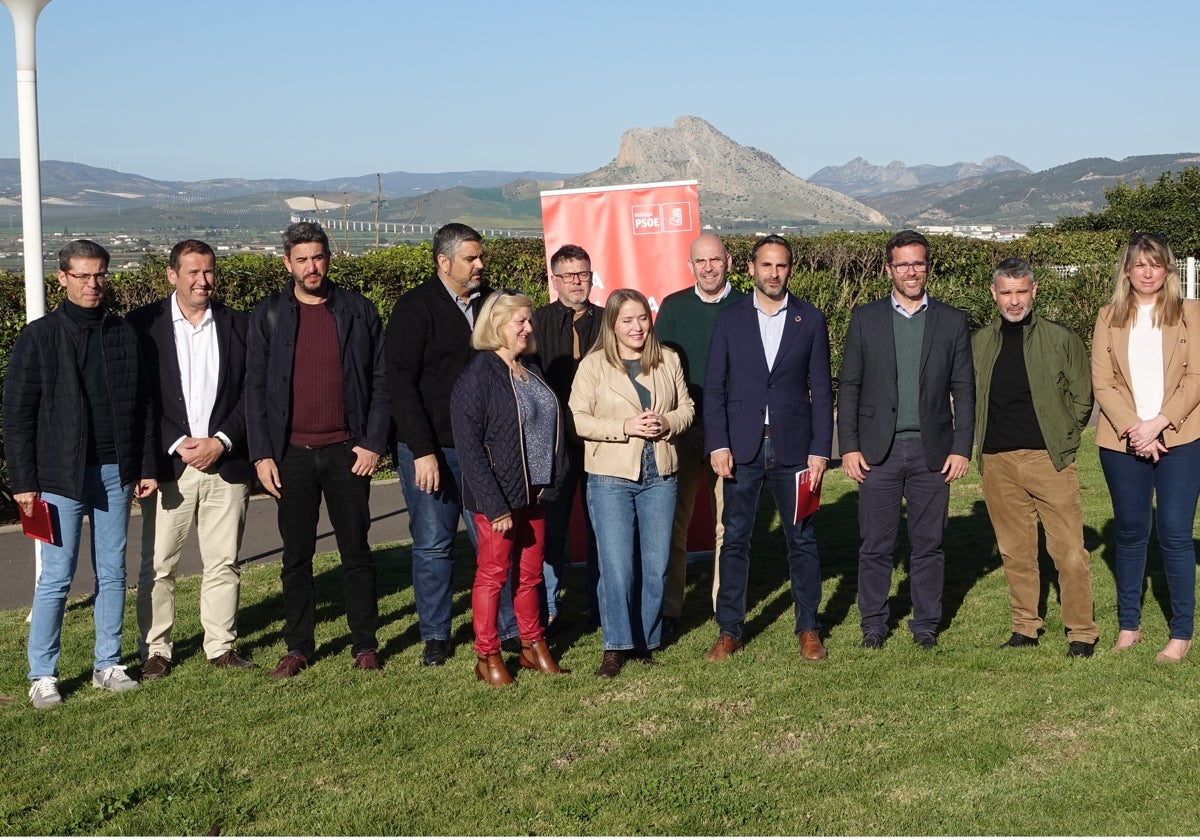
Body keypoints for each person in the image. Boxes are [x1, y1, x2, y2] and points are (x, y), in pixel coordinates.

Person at [3, 239, 158, 708]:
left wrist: (146, 466)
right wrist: (24, 482)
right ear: (63, 279)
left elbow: (145, 405)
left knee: (113, 573)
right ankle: (42, 673)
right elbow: (17, 414)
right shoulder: (39, 337)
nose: (94, 284)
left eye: (101, 275)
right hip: (57, 477)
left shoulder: (123, 333)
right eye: (84, 276)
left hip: (115, 471)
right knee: (56, 577)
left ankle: (107, 663)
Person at [245, 222, 390, 677]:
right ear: (287, 263)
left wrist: (372, 442)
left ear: (329, 259)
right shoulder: (268, 315)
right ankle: (298, 646)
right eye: (302, 259)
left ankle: (364, 643)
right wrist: (262, 454)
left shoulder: (357, 310)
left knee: (357, 553)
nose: (312, 267)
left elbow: (381, 380)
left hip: (349, 451)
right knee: (296, 557)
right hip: (291, 455)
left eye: (319, 257)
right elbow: (253, 389)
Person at [386, 222, 517, 666]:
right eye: (470, 258)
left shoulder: (492, 304)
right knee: (433, 543)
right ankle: (436, 635)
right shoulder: (414, 308)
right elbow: (399, 385)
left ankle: (508, 628)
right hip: (433, 450)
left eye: (481, 257)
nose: (480, 265)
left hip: (485, 450)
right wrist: (422, 450)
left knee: (493, 541)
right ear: (444, 262)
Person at [838, 230, 974, 651]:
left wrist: (961, 446)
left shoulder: (952, 320)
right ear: (888, 269)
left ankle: (926, 624)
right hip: (878, 452)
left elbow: (964, 388)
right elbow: (850, 385)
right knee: (876, 544)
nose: (911, 271)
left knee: (928, 545)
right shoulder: (866, 318)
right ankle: (873, 625)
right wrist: (848, 446)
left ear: (927, 267)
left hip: (933, 451)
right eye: (903, 264)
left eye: (918, 263)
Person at [128, 239, 256, 678]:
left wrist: (221, 440)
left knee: (223, 562)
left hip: (226, 463)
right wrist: (176, 441)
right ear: (172, 275)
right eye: (193, 273)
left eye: (209, 272)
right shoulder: (143, 327)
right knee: (159, 564)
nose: (203, 282)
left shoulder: (238, 324)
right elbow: (140, 398)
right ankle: (156, 649)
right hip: (171, 467)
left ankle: (220, 645)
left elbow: (250, 393)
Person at [703, 235, 834, 662]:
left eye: (780, 266)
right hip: (741, 448)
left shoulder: (810, 320)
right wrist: (718, 443)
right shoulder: (730, 319)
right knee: (736, 539)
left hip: (795, 449)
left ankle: (809, 627)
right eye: (766, 266)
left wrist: (820, 450)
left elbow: (821, 391)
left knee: (802, 539)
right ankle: (729, 629)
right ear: (751, 269)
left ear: (789, 270)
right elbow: (716, 388)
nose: (773, 274)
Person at [972, 257, 1098, 658]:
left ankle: (1081, 631)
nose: (1014, 300)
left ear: (1035, 291)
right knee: (1015, 550)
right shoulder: (979, 342)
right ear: (993, 293)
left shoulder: (1061, 339)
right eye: (1006, 292)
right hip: (997, 461)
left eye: (1021, 291)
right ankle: (1024, 627)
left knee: (1069, 551)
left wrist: (1063, 439)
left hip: (1049, 459)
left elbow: (1083, 398)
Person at [569, 289, 693, 678]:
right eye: (627, 320)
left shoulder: (668, 359)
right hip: (610, 477)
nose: (637, 326)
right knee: (618, 567)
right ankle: (616, 645)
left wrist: (668, 423)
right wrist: (625, 427)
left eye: (642, 317)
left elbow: (687, 408)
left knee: (656, 566)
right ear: (612, 324)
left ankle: (644, 642)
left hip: (661, 474)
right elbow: (578, 420)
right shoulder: (593, 367)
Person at [1092, 232, 1200, 663]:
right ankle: (1129, 627)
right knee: (1132, 534)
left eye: (1155, 264)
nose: (1148, 272)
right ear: (1127, 271)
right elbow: (1103, 381)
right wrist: (1135, 429)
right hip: (1123, 442)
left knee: (1175, 534)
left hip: (1182, 439)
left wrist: (1158, 423)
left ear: (1168, 269)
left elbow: (1196, 378)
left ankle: (1181, 633)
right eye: (1139, 264)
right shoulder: (1108, 317)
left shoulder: (1191, 314)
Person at [451, 291, 569, 685]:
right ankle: (487, 655)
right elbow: (469, 452)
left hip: (536, 492)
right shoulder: (476, 377)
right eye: (519, 321)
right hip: (498, 499)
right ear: (495, 325)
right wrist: (494, 505)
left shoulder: (529, 367)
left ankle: (532, 645)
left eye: (529, 320)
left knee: (531, 574)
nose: (528, 328)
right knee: (493, 575)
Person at [656, 233, 746, 634]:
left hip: (733, 433)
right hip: (684, 433)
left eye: (715, 259)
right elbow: (657, 371)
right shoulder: (673, 308)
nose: (708, 267)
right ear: (689, 266)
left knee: (729, 523)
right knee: (675, 524)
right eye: (700, 261)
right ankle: (671, 608)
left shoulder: (746, 306)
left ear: (728, 261)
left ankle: (721, 605)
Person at [531, 244, 603, 631]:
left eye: (584, 274)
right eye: (569, 275)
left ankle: (600, 604)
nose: (577, 282)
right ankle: (549, 607)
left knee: (601, 527)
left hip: (600, 443)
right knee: (552, 530)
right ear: (554, 279)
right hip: (552, 445)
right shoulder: (536, 324)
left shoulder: (610, 322)